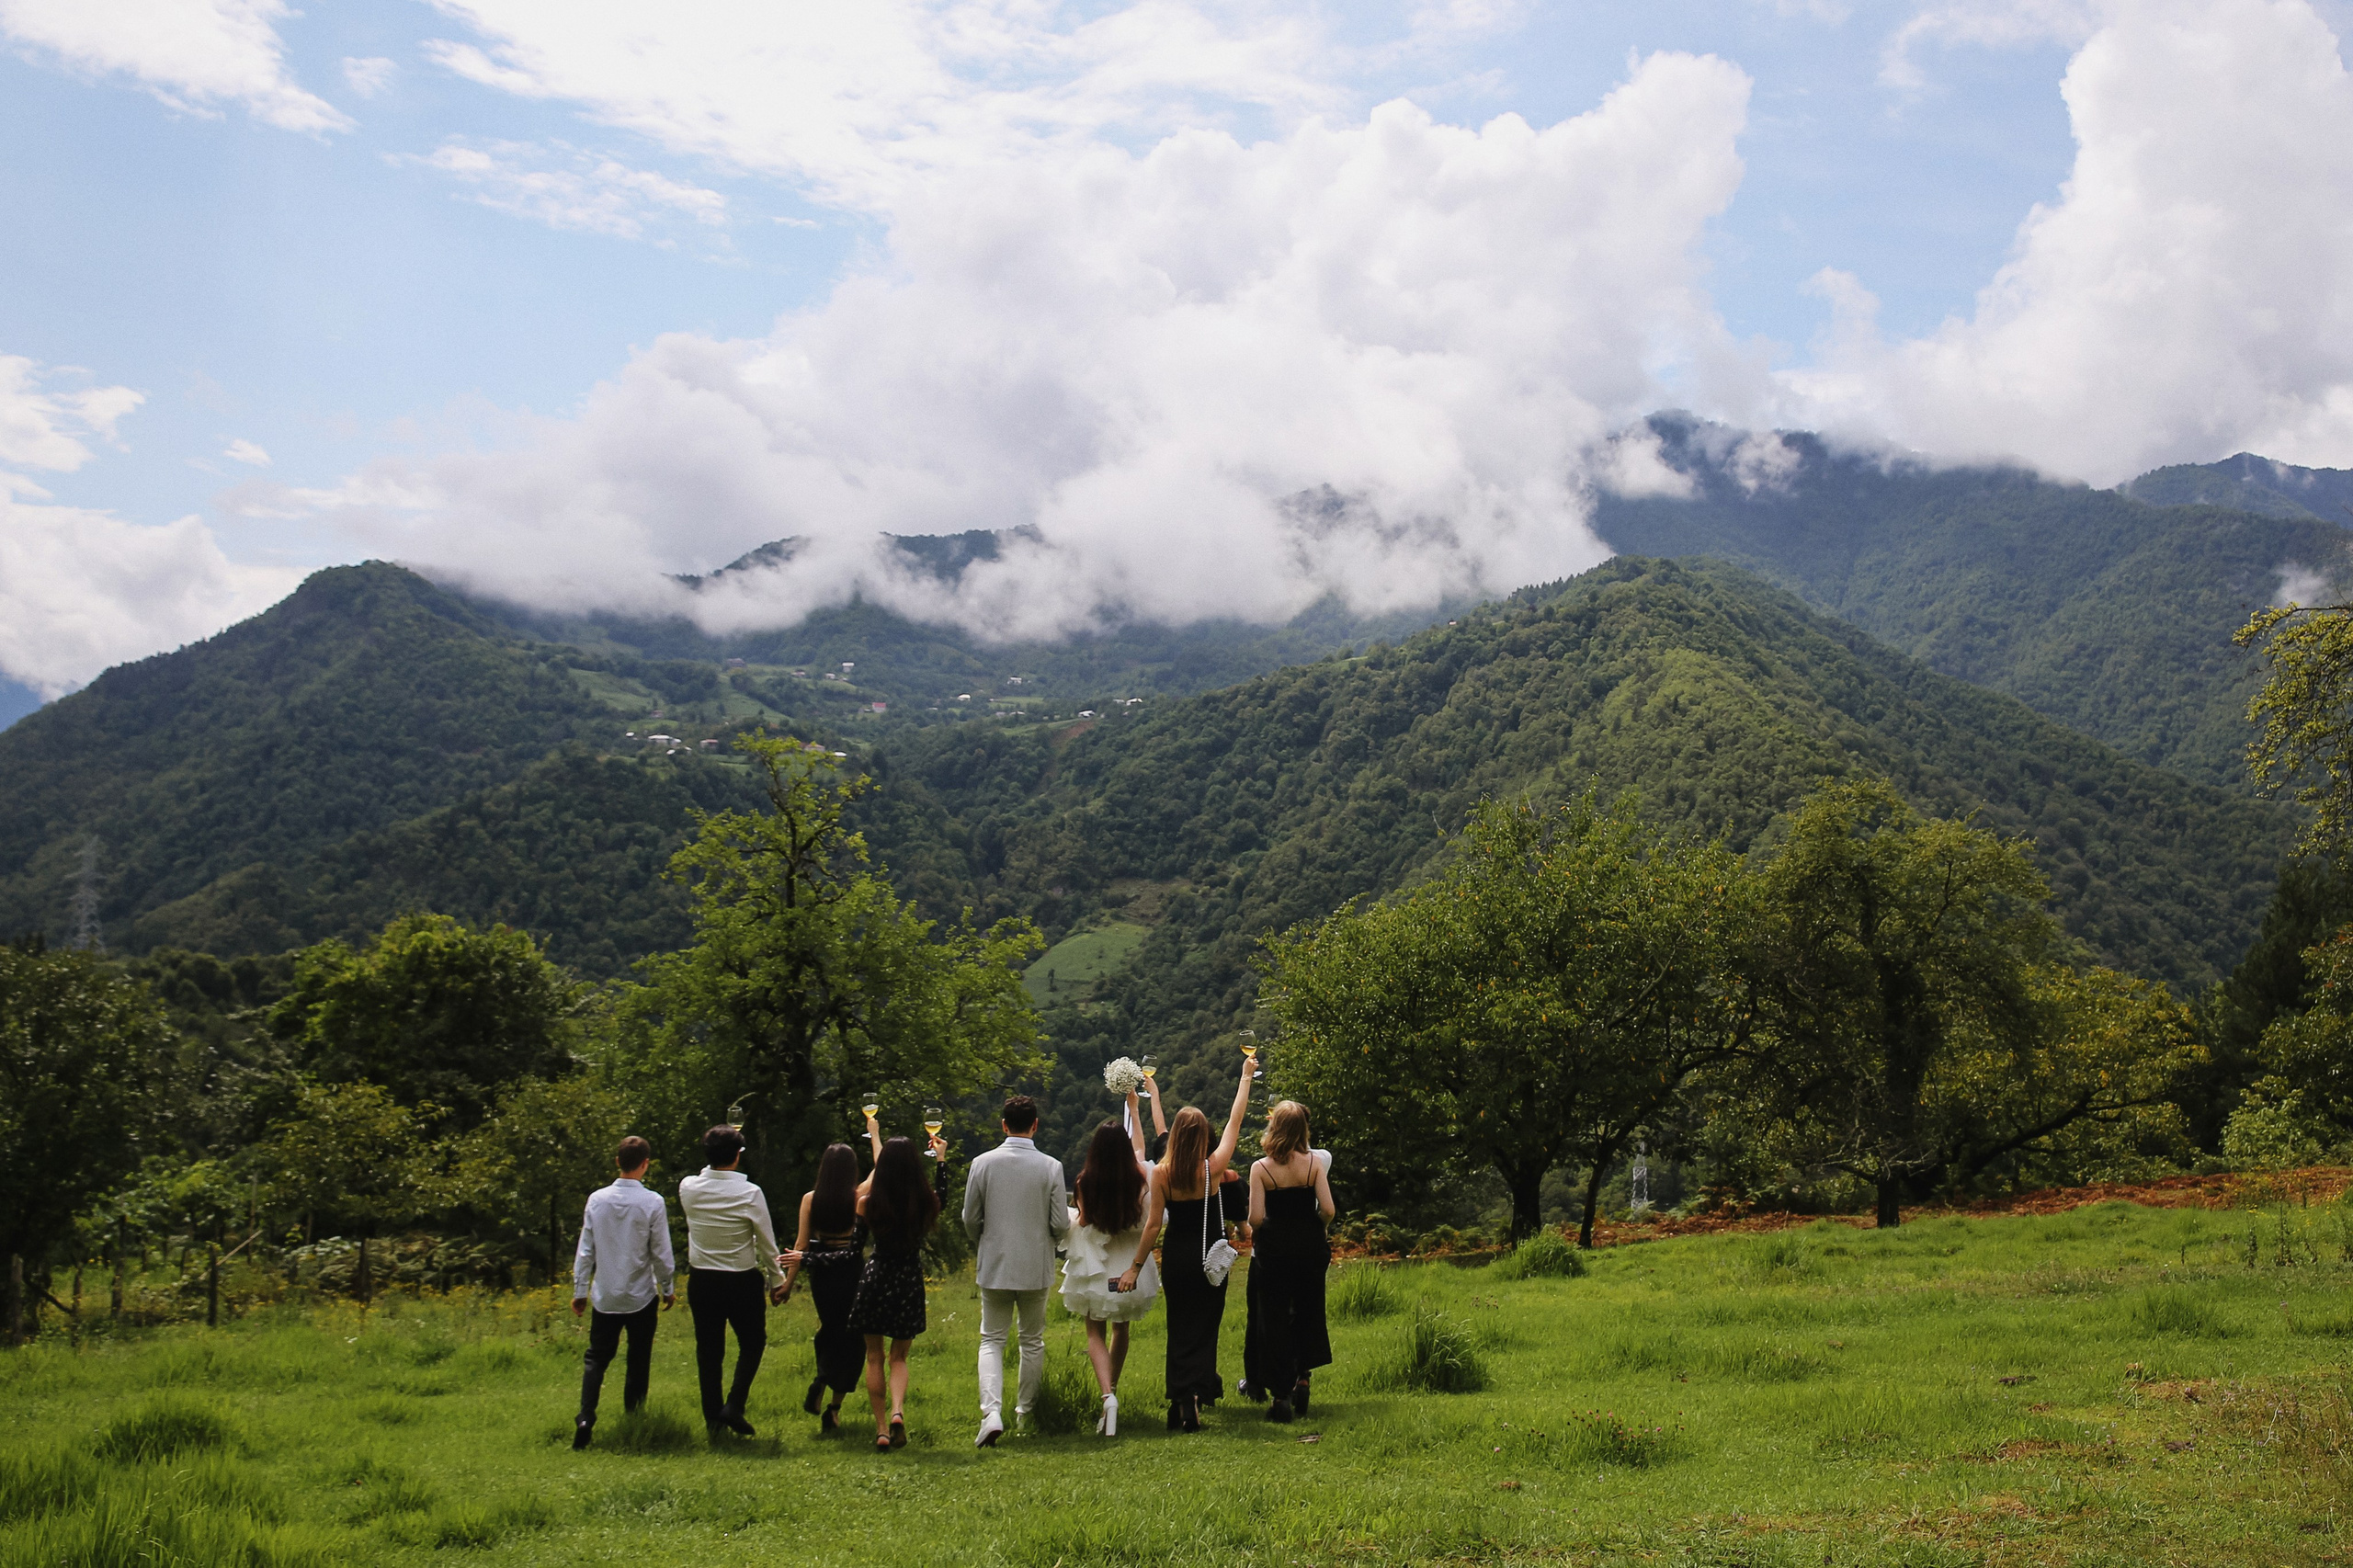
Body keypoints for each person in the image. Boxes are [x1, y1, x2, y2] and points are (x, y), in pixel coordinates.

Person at [1120, 1065, 1252, 1431]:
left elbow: (1152, 1226)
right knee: (1205, 1327)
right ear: (1204, 1136)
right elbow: (1235, 1122)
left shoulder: (1161, 1173)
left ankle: (1180, 1397)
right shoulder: (1212, 1168)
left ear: (1175, 1135)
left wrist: (1135, 1267)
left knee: (1178, 1327)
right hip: (1209, 1256)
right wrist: (1244, 1078)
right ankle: (1196, 1393)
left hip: (1177, 1255)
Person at [961, 1094, 1073, 1448]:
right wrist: (1050, 1239)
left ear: (1003, 1124)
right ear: (1035, 1125)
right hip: (1035, 1263)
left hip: (994, 1263)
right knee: (1032, 1340)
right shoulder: (1051, 1167)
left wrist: (984, 1241)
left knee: (992, 1339)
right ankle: (1026, 1413)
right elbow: (1060, 1222)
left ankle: (991, 1413)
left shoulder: (982, 1163)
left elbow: (969, 1218)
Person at [1059, 1091, 1160, 1437]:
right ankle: (1113, 1389)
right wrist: (1135, 1109)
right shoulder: (1141, 1179)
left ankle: (1107, 1397)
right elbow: (1140, 1150)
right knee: (1121, 1329)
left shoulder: (1085, 1182)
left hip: (1099, 1266)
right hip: (1130, 1265)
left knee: (1094, 1332)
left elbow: (1085, 1221)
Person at [677, 1124, 786, 1439]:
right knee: (753, 1343)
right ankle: (735, 1404)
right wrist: (777, 1280)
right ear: (738, 1156)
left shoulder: (688, 1188)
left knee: (709, 1352)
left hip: (702, 1279)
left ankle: (713, 1421)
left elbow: (701, 1178)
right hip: (741, 1280)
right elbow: (766, 1243)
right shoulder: (750, 1193)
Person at [569, 1135, 676, 1449]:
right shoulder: (653, 1202)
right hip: (641, 1295)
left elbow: (586, 1249)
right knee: (638, 1359)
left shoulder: (597, 1199)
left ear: (617, 1161)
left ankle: (586, 1416)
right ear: (646, 1164)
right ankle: (634, 1418)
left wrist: (580, 1290)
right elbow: (661, 1252)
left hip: (605, 1295)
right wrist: (667, 1287)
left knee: (596, 1357)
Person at [847, 1130, 948, 1451]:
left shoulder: (867, 1203)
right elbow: (942, 1197)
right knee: (899, 1358)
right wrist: (941, 1161)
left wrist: (810, 1258)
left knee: (873, 1357)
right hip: (908, 1279)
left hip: (876, 1276)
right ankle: (897, 1411)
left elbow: (853, 1250)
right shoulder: (924, 1203)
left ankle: (880, 1430)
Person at [1244, 1101, 1336, 1422]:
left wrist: (1262, 1231)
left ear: (1275, 1127)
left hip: (1275, 1250)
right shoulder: (1314, 1165)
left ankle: (1280, 1395)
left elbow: (1255, 1218)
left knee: (1275, 1319)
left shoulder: (1261, 1168)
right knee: (1308, 1311)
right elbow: (1328, 1209)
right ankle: (1303, 1377)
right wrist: (1318, 1227)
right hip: (1309, 1247)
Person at [779, 1138, 869, 1436]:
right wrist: (875, 1133)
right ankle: (834, 1407)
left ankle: (821, 1378)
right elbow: (881, 1168)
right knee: (853, 1338)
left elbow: (800, 1245)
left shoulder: (810, 1199)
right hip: (851, 1269)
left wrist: (788, 1284)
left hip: (822, 1272)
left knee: (829, 1329)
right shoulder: (858, 1196)